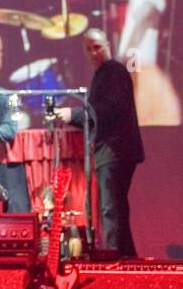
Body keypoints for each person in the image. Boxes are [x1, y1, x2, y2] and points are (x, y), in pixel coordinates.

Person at [55, 29, 145, 256]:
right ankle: (125, 256)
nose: (94, 52)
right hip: (114, 150)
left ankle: (116, 255)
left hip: (116, 150)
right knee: (115, 207)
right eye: (89, 48)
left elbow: (106, 111)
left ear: (108, 45)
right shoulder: (104, 74)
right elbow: (98, 114)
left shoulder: (113, 72)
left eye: (98, 47)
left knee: (111, 207)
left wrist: (73, 114)